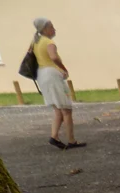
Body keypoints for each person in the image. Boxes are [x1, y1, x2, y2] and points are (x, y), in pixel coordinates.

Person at [32, 18, 86, 150]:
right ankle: (71, 140)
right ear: (45, 29)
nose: (54, 29)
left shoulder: (35, 42)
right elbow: (54, 57)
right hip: (52, 75)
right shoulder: (48, 42)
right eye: (51, 27)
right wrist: (63, 68)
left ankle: (54, 136)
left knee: (58, 109)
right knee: (66, 110)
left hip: (42, 75)